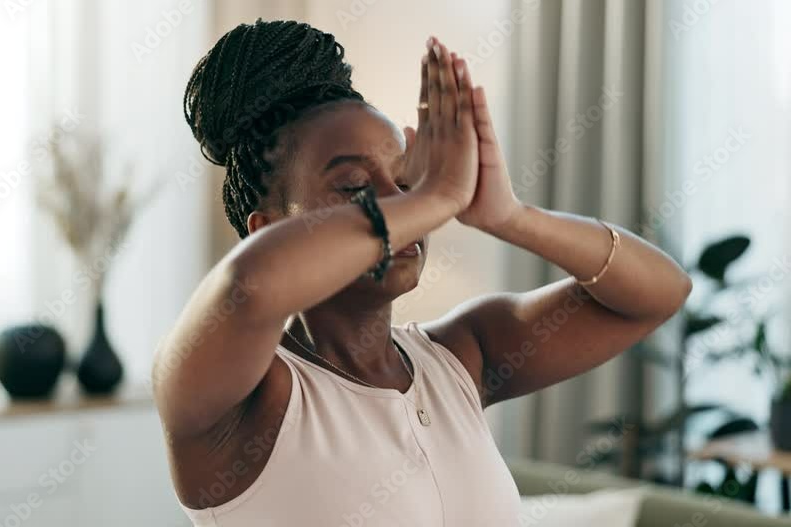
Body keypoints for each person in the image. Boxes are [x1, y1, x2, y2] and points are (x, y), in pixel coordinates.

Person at [153, 19, 691, 526]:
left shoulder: (463, 355)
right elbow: (252, 285)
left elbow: (661, 293)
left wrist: (512, 216)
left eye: (406, 180)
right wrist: (437, 193)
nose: (406, 205)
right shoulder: (235, 401)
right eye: (355, 187)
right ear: (265, 227)